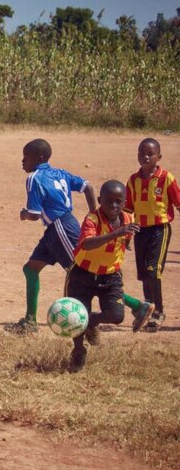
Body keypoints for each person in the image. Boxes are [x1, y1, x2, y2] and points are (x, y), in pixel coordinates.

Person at [13, 139, 151, 333]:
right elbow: (87, 186)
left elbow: (35, 215)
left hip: (61, 228)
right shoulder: (60, 172)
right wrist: (95, 212)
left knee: (82, 274)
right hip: (56, 229)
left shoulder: (34, 178)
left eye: (26, 157)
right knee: (30, 269)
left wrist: (24, 214)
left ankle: (137, 306)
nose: (22, 161)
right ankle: (29, 321)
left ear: (39, 158)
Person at [65, 181, 141, 372]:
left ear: (124, 202)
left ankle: (92, 321)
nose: (114, 206)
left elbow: (126, 239)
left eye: (118, 201)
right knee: (77, 316)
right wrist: (117, 233)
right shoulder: (93, 218)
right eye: (108, 201)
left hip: (110, 276)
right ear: (99, 201)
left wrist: (125, 239)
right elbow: (87, 244)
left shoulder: (128, 218)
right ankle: (78, 351)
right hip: (82, 274)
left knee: (116, 316)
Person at [125, 138, 180, 332]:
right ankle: (147, 309)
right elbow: (127, 210)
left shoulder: (167, 178)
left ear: (159, 157)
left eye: (150, 153)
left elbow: (179, 203)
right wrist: (126, 236)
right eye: (141, 153)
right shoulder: (133, 181)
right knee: (144, 274)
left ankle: (159, 312)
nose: (145, 156)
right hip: (141, 231)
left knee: (153, 270)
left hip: (159, 229)